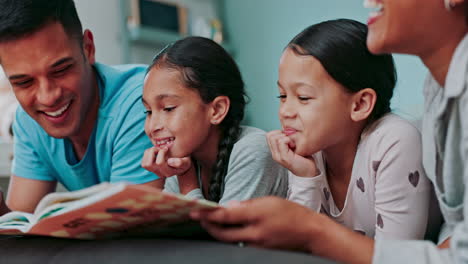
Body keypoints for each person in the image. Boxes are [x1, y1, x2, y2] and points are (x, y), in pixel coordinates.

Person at [190, 18, 442, 264]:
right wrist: (305, 177)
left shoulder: (394, 141)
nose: (285, 111)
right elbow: (295, 251)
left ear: (360, 104)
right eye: (282, 95)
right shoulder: (313, 149)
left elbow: (395, 258)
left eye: (303, 97)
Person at [0, 0, 163, 214]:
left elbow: (125, 225)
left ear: (88, 48)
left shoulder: (145, 99)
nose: (48, 98)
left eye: (61, 70)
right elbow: (21, 223)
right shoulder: (27, 120)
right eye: (24, 83)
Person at [141, 36, 288, 204]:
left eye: (168, 108)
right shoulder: (183, 160)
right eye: (148, 111)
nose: (152, 126)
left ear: (217, 110)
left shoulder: (254, 150)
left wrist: (187, 182)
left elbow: (222, 230)